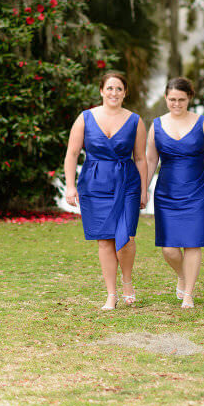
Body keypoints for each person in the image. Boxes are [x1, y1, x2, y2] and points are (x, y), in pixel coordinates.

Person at [63, 72, 149, 310]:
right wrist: (70, 186)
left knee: (126, 238)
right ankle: (111, 294)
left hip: (127, 184)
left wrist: (144, 189)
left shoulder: (135, 120)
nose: (114, 93)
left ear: (125, 92)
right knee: (104, 241)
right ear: (101, 90)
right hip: (94, 185)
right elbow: (71, 154)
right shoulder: (85, 118)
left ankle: (127, 281)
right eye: (110, 88)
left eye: (119, 89)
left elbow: (141, 158)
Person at [147, 77, 204, 309]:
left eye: (181, 99)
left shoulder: (202, 123)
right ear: (165, 98)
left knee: (193, 244)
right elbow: (151, 159)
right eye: (172, 99)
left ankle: (188, 294)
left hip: (198, 190)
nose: (176, 103)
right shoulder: (156, 125)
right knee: (169, 248)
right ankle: (182, 276)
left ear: (189, 99)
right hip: (167, 192)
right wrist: (143, 189)